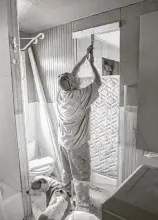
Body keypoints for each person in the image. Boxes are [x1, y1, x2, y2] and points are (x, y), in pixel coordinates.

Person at [56, 45, 101, 211]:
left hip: (63, 142)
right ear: (73, 83)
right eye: (72, 77)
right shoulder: (80, 96)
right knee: (81, 175)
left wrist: (85, 55)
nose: (74, 75)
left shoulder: (62, 93)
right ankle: (83, 206)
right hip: (77, 145)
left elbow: (73, 72)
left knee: (67, 172)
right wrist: (92, 64)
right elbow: (98, 82)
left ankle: (64, 201)